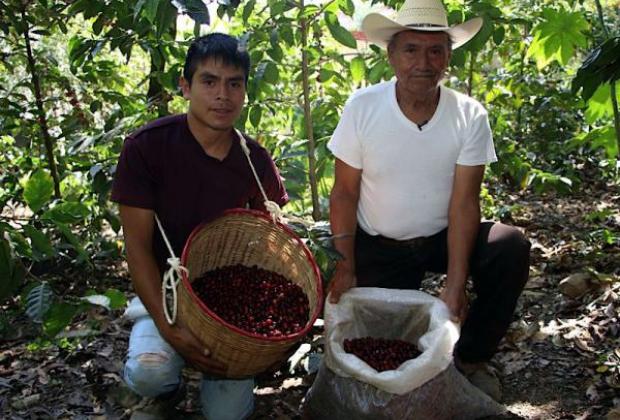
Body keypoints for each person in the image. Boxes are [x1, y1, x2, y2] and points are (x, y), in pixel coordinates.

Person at [327, 0, 530, 401]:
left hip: (441, 235)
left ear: (448, 57)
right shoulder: (362, 107)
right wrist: (345, 263)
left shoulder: (469, 115)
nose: (424, 62)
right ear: (391, 55)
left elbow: (464, 203)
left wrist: (456, 284)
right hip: (378, 242)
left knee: (509, 247)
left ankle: (471, 359)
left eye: (435, 50)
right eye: (411, 50)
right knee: (378, 352)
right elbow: (345, 191)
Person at [110, 33, 288, 420]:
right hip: (167, 293)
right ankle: (164, 389)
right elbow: (137, 249)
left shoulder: (254, 159)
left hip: (228, 310)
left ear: (244, 91)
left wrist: (268, 340)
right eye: (209, 81)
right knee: (150, 373)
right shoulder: (146, 148)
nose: (222, 95)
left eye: (234, 83)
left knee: (228, 414)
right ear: (185, 87)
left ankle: (213, 372)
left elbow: (272, 244)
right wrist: (170, 327)